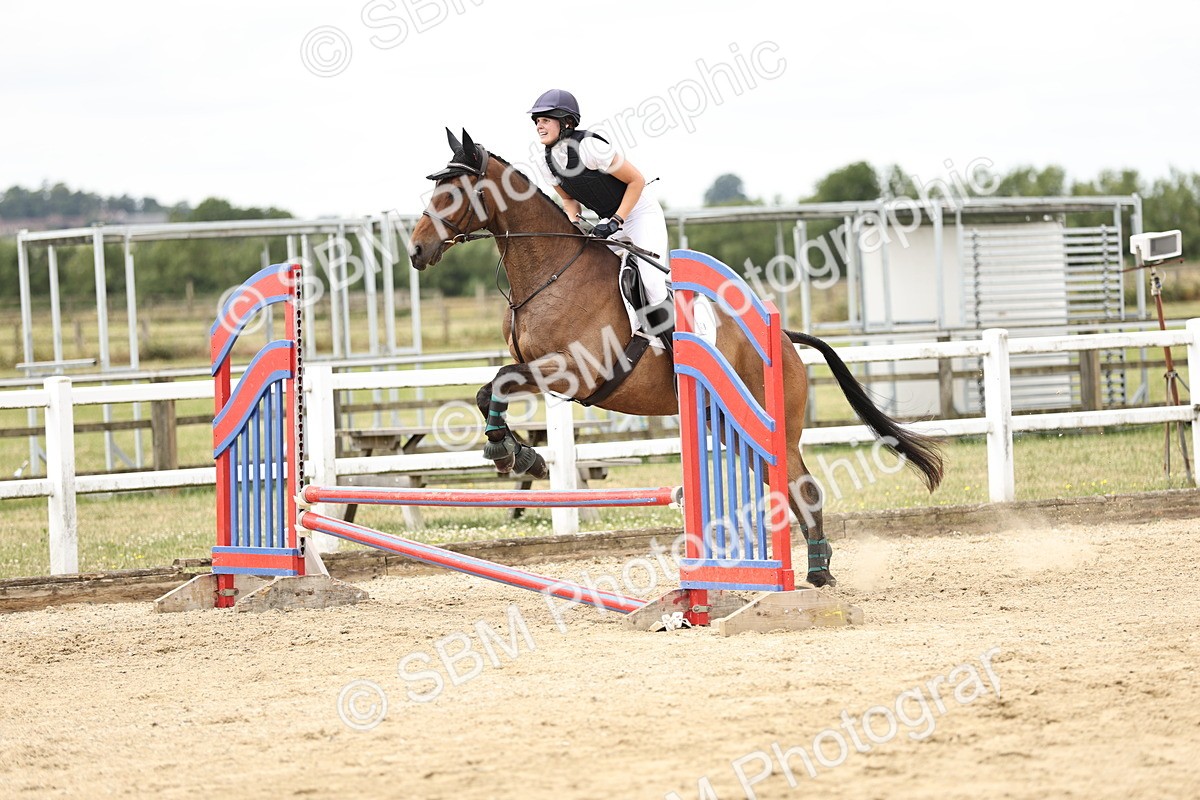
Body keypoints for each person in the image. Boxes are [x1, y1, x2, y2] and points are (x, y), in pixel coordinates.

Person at [527, 89, 670, 311]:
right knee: (588, 275)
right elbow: (569, 200)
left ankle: (678, 341)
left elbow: (636, 181)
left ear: (566, 122)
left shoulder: (589, 146)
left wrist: (616, 221)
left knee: (652, 283)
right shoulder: (545, 162)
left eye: (545, 120)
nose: (539, 126)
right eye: (537, 121)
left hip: (640, 213)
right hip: (609, 222)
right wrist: (573, 224)